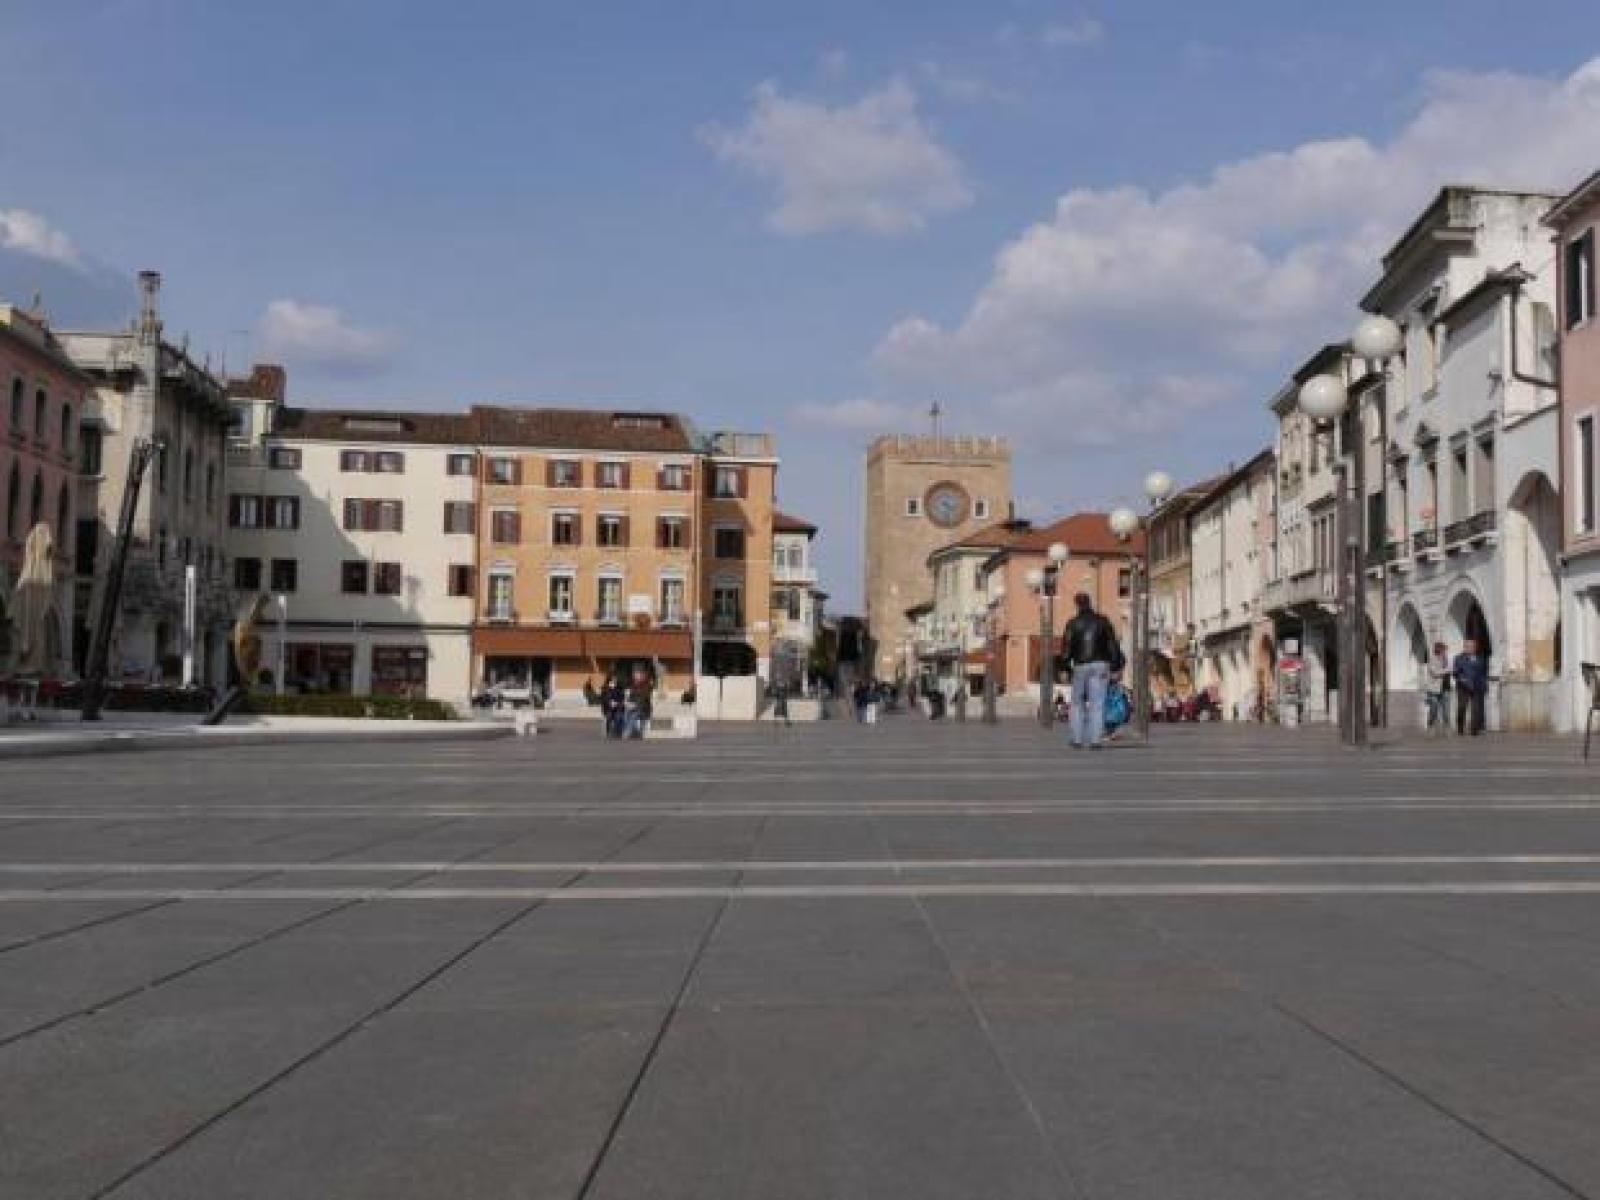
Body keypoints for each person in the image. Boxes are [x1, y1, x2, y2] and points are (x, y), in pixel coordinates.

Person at [1060, 592, 1124, 749]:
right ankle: (1095, 740)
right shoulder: (1103, 622)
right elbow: (1113, 645)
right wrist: (1116, 666)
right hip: (1101, 664)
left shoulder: (1073, 624)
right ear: (1090, 603)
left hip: (1080, 665)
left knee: (1077, 703)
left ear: (1077, 604)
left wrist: (1065, 667)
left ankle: (1076, 739)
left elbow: (1067, 648)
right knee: (1098, 703)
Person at [1452, 637, 1488, 736]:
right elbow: (1455, 672)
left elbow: (1483, 673)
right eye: (1467, 646)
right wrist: (1461, 678)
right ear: (1464, 647)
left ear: (1475, 647)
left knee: (1476, 708)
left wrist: (1484, 685)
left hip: (1477, 687)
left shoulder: (1481, 658)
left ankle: (1474, 730)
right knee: (1462, 707)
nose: (1469, 648)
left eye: (1472, 646)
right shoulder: (1458, 658)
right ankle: (1460, 727)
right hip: (1463, 687)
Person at [1425, 641, 1452, 733]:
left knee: (1446, 710)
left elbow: (1452, 670)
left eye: (1446, 650)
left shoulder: (1448, 660)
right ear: (1439, 650)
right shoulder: (1432, 660)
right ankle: (1431, 725)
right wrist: (1447, 670)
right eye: (1444, 650)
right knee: (1434, 709)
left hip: (1446, 688)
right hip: (1434, 689)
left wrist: (1449, 670)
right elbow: (1435, 673)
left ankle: (1447, 727)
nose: (1445, 652)